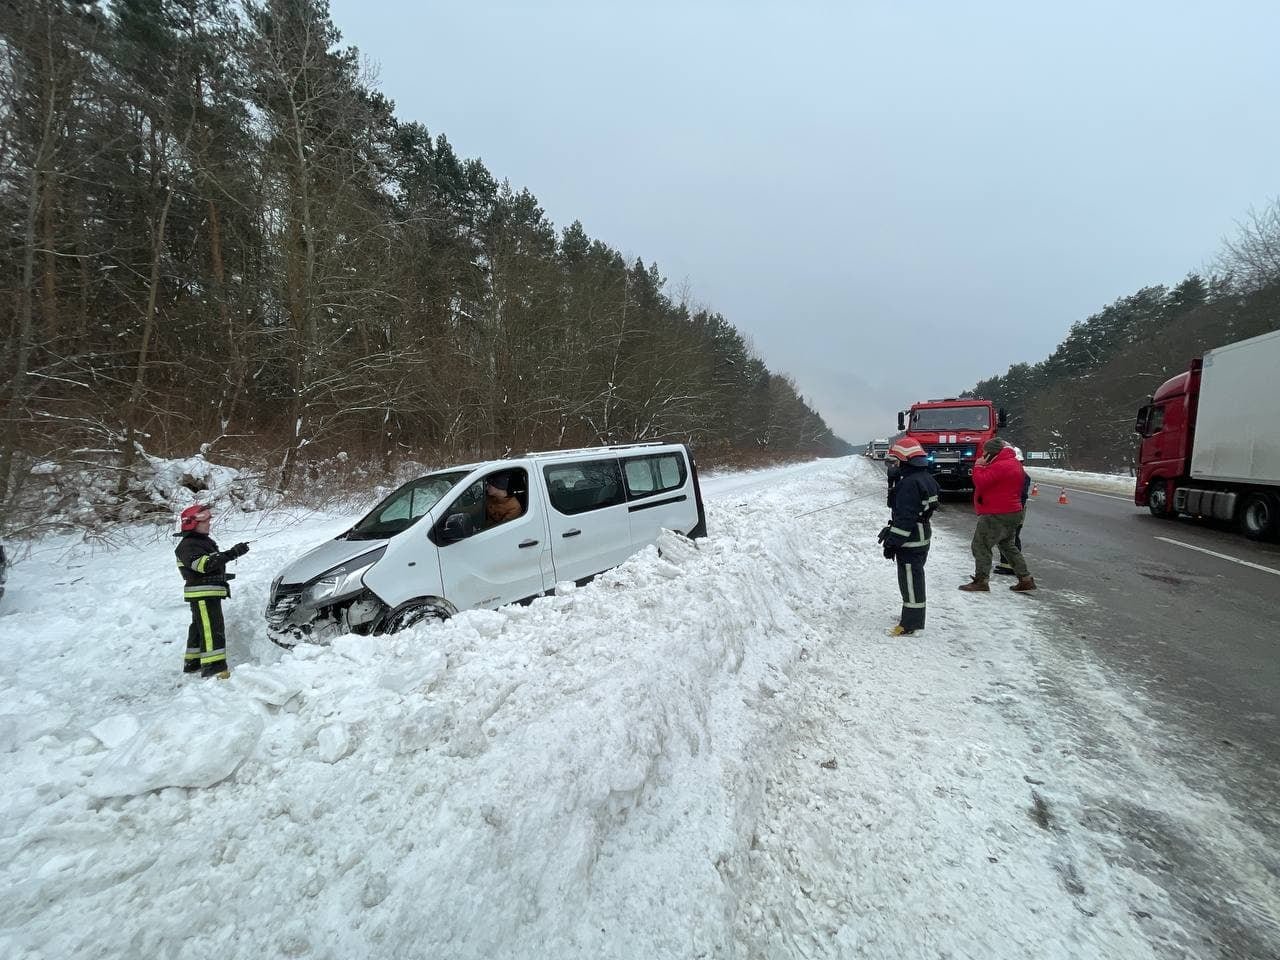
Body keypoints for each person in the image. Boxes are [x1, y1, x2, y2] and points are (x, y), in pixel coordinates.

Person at [174, 504, 249, 678]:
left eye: (209, 519)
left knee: (199, 628)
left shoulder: (200, 542)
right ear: (192, 523)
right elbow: (205, 565)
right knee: (211, 629)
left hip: (206, 592)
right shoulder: (188, 545)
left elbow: (211, 563)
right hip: (202, 594)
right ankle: (214, 668)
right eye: (205, 520)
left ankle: (193, 663)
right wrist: (232, 554)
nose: (209, 523)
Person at [879, 438, 941, 636]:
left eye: (896, 462)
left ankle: (910, 624)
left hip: (910, 539)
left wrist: (892, 543)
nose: (894, 466)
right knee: (914, 577)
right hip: (922, 535)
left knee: (911, 582)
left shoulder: (909, 484)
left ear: (906, 461)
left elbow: (905, 518)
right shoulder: (926, 478)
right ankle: (910, 616)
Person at [960, 439, 1036, 592]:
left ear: (992, 452)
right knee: (1007, 545)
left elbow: (981, 482)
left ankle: (981, 580)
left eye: (985, 453)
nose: (983, 455)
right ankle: (1025, 578)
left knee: (981, 545)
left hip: (996, 512)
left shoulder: (1001, 465)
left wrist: (979, 466)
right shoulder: (1013, 463)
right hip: (1013, 510)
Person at [995, 448, 1032, 576]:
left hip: (1015, 511)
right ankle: (1006, 564)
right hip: (1013, 510)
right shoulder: (1016, 473)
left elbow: (1018, 495)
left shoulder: (1021, 475)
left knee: (1012, 538)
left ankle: (1013, 567)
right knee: (1006, 537)